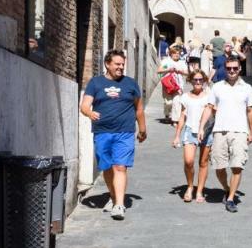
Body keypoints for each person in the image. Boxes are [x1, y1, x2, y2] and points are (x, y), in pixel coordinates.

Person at [79, 49, 146, 220]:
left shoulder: (130, 84)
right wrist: (90, 113)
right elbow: (85, 105)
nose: (120, 67)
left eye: (122, 64)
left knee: (120, 166)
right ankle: (114, 196)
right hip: (102, 132)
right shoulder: (95, 83)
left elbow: (138, 108)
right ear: (107, 64)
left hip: (125, 132)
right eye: (117, 64)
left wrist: (143, 128)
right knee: (107, 167)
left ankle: (119, 204)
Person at [198, 56, 252, 212]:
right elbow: (209, 107)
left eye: (235, 68)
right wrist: (202, 127)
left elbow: (250, 111)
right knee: (219, 167)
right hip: (220, 131)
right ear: (225, 69)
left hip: (240, 131)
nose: (232, 71)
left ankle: (230, 198)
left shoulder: (247, 88)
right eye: (229, 68)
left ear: (239, 69)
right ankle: (226, 188)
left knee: (237, 166)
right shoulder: (217, 87)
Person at [171, 70, 214, 202]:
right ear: (190, 80)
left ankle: (200, 190)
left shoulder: (210, 95)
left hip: (207, 131)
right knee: (188, 161)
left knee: (203, 162)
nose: (198, 82)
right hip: (190, 131)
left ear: (204, 80)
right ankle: (190, 186)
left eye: (201, 79)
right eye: (195, 79)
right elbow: (183, 116)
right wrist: (177, 135)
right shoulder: (185, 97)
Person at [158, 44, 188, 123]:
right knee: (169, 103)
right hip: (167, 85)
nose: (176, 55)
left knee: (177, 103)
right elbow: (159, 70)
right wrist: (168, 69)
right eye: (175, 53)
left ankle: (175, 121)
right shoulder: (166, 61)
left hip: (178, 85)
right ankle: (167, 113)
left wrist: (180, 71)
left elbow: (186, 73)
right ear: (171, 54)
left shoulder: (182, 63)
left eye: (178, 53)